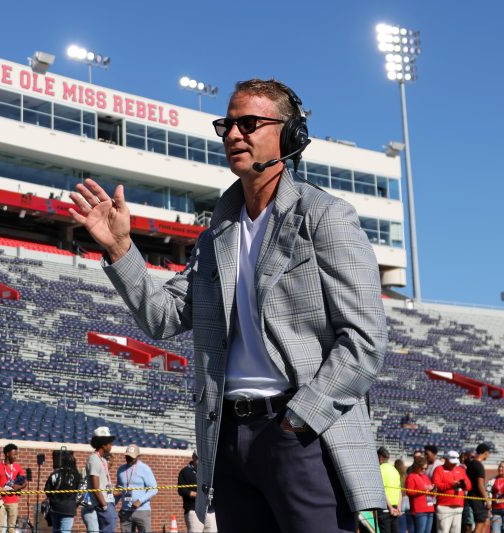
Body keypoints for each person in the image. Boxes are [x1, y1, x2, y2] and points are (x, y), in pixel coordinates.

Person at [69, 78, 388, 533]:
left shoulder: (325, 216)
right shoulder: (217, 234)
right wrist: (120, 248)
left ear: (290, 135)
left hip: (301, 435)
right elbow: (162, 317)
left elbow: (364, 340)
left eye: (250, 123)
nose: (234, 134)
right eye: (228, 125)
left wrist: (299, 420)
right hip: (230, 442)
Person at [82, 427, 116, 533]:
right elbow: (95, 487)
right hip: (103, 502)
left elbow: (102, 474)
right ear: (103, 444)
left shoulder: (102, 459)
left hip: (108, 500)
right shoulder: (94, 459)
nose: (111, 445)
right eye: (109, 443)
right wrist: (104, 506)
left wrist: (110, 464)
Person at [115, 445, 156, 533]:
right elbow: (119, 489)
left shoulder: (145, 469)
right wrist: (112, 505)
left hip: (142, 510)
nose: (129, 459)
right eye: (127, 456)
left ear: (138, 456)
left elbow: (153, 489)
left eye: (132, 457)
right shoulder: (121, 470)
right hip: (125, 511)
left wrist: (140, 501)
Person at [432, 451, 471, 533]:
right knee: (443, 530)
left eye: (455, 462)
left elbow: (469, 486)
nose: (453, 464)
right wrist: (452, 485)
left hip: (458, 506)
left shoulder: (461, 470)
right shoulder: (439, 469)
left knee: (456, 531)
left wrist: (464, 484)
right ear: (446, 459)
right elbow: (436, 485)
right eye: (451, 462)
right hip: (444, 506)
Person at [177, 451, 215, 532]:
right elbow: (182, 490)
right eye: (199, 458)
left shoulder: (210, 472)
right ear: (193, 457)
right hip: (194, 510)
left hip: (210, 511)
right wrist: (199, 495)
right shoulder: (185, 472)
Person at [44, 450, 81, 533]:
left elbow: (47, 490)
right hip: (69, 508)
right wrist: (75, 503)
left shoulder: (54, 474)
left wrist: (53, 498)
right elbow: (80, 492)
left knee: (56, 530)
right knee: (65, 531)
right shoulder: (76, 476)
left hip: (55, 507)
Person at [0, 444, 26, 533]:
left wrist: (18, 487)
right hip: (0, 501)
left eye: (16, 454)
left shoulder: (17, 467)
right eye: (14, 454)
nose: (16, 456)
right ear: (7, 454)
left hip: (13, 501)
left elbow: (25, 482)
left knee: (11, 529)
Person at [405, 456, 435, 533]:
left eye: (425, 468)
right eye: (422, 468)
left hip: (429, 508)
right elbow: (409, 492)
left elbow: (430, 493)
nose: (424, 470)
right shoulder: (411, 477)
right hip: (419, 510)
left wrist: (433, 491)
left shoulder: (426, 477)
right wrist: (424, 490)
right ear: (416, 467)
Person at [464, 443, 491, 533]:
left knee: (483, 521)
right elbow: (480, 485)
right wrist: (487, 500)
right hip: (476, 498)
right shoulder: (478, 465)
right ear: (485, 453)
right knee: (480, 522)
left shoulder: (471, 464)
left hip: (471, 497)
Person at [378, 448, 402, 533]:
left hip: (385, 507)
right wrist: (399, 507)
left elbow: (382, 490)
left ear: (380, 457)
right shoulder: (394, 470)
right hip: (395, 507)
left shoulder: (379, 469)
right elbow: (399, 491)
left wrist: (390, 507)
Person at [489, 462, 504, 533]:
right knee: (495, 531)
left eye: (503, 467)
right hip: (496, 511)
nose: (500, 468)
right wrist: (488, 508)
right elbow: (488, 494)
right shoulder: (492, 480)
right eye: (499, 467)